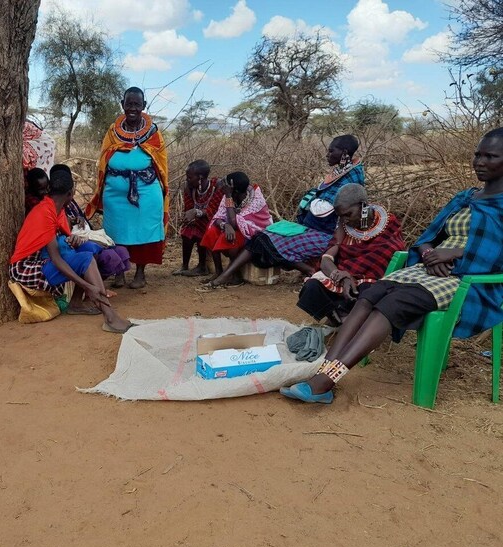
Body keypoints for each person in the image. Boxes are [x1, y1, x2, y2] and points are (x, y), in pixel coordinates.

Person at [282, 128, 503, 404]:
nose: (479, 162)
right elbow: (428, 237)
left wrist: (456, 253)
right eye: (477, 154)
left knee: (393, 304)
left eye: (490, 156)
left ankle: (326, 380)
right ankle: (324, 367)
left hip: (469, 279)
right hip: (431, 268)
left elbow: (496, 252)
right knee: (370, 296)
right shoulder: (465, 198)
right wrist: (428, 253)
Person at [207, 135, 364, 287]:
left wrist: (312, 201)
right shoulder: (341, 173)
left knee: (268, 242)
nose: (327, 155)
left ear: (344, 153)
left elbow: (329, 210)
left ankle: (310, 271)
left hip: (329, 235)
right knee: (262, 238)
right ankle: (227, 275)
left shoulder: (352, 177)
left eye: (331, 151)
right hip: (313, 228)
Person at [10, 166, 133, 333]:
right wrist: (86, 286)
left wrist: (74, 240)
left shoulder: (55, 209)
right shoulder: (45, 213)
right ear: (70, 194)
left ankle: (78, 304)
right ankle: (110, 317)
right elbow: (56, 259)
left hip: (41, 259)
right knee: (85, 259)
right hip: (24, 267)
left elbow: (64, 239)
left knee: (88, 254)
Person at [87, 86, 169, 289]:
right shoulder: (112, 131)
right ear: (122, 104)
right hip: (115, 191)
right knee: (115, 232)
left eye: (137, 104)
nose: (132, 108)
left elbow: (161, 161)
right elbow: (104, 158)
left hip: (147, 190)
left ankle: (140, 274)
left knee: (145, 232)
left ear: (144, 106)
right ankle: (118, 273)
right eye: (129, 103)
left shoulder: (153, 133)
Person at [296, 183, 405, 326]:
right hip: (342, 279)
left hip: (371, 283)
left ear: (363, 205)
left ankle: (353, 322)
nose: (345, 220)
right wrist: (342, 276)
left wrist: (351, 276)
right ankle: (339, 319)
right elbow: (326, 259)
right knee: (312, 287)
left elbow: (384, 257)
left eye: (348, 214)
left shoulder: (388, 224)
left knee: (367, 293)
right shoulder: (344, 226)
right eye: (341, 216)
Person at [199, 171, 273, 284]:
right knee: (212, 230)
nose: (224, 188)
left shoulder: (255, 200)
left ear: (235, 190)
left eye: (227, 187)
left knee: (230, 237)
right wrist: (225, 225)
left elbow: (236, 224)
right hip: (236, 228)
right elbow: (218, 217)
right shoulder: (230, 195)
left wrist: (228, 197)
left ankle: (236, 276)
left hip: (255, 235)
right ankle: (218, 271)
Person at [174, 160, 223, 277]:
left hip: (216, 221)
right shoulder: (189, 188)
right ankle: (184, 265)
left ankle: (202, 266)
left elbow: (216, 211)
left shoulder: (217, 186)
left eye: (190, 177)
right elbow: (189, 208)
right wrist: (187, 217)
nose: (187, 180)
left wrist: (197, 212)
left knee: (200, 230)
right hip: (199, 221)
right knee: (187, 231)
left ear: (200, 177)